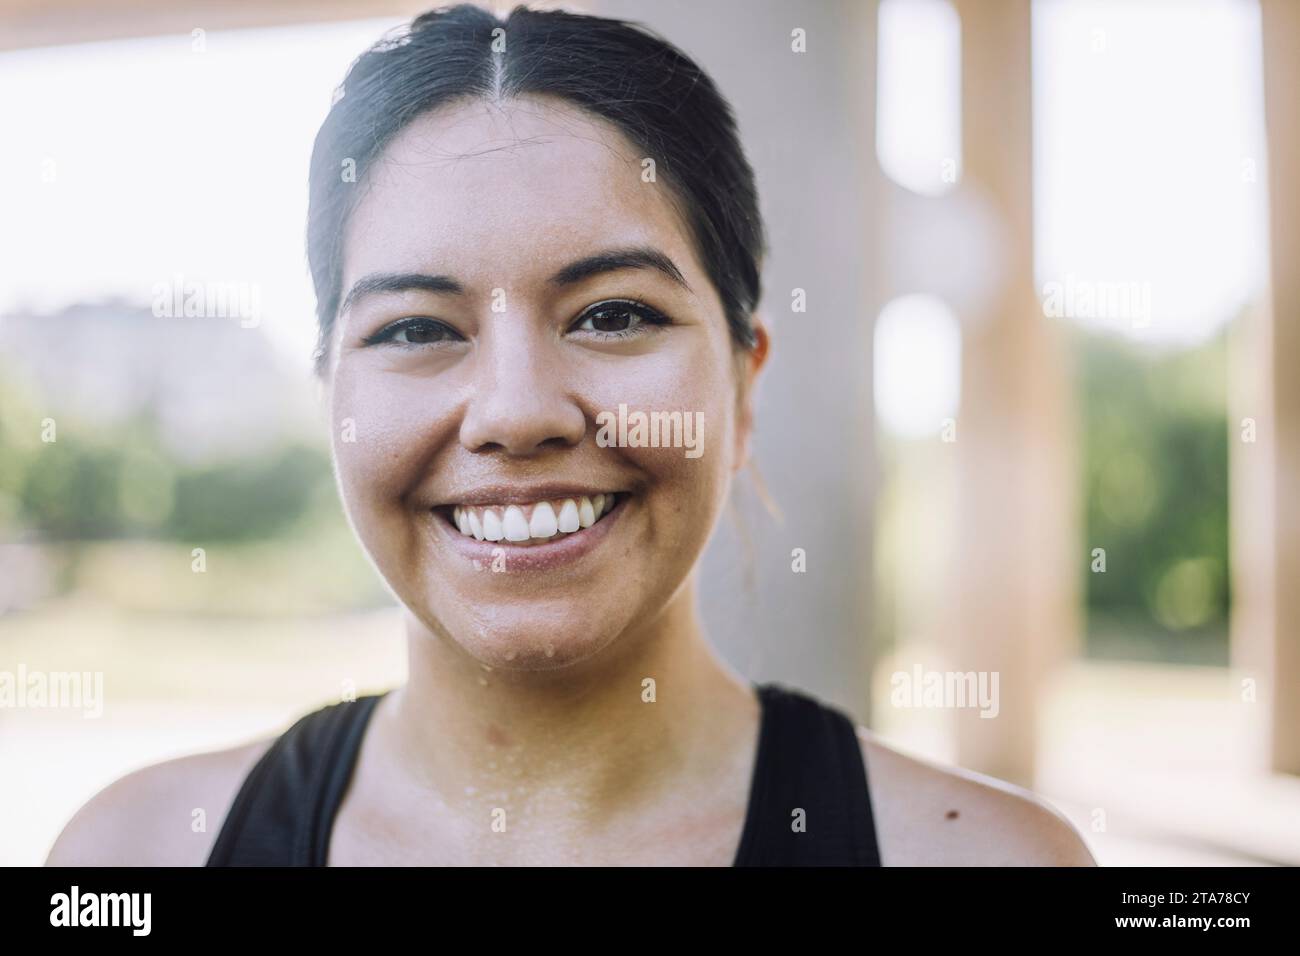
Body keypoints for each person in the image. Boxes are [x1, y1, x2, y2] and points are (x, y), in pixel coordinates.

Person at [46, 2, 1095, 866]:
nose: (515, 410)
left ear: (743, 384)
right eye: (416, 327)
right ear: (332, 395)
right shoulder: (133, 856)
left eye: (613, 314)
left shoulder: (982, 857)